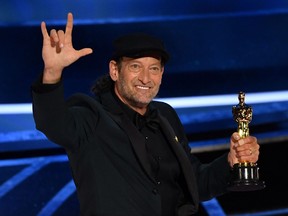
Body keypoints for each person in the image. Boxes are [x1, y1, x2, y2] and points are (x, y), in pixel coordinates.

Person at [31, 13, 260, 216]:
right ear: (114, 70)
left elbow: (195, 183)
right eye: (135, 67)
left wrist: (230, 162)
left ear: (161, 74)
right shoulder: (91, 116)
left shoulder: (166, 115)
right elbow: (52, 122)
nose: (145, 78)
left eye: (153, 68)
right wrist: (52, 72)